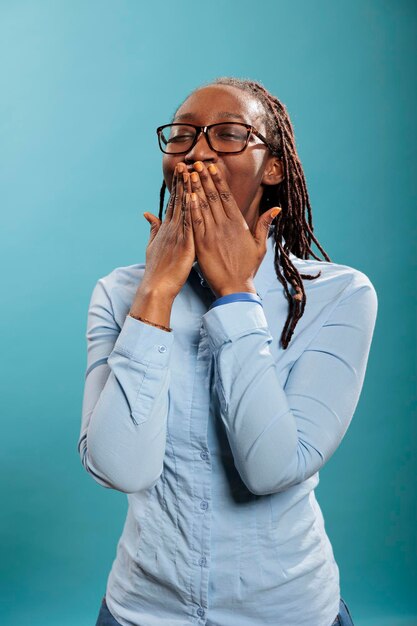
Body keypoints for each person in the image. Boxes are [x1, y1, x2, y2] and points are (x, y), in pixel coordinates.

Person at [78, 77, 377, 626]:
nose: (196, 152)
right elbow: (120, 466)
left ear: (274, 166)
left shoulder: (341, 295)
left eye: (229, 136)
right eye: (184, 136)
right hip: (142, 611)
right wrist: (156, 293)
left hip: (285, 611)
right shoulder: (120, 293)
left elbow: (272, 468)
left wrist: (235, 296)